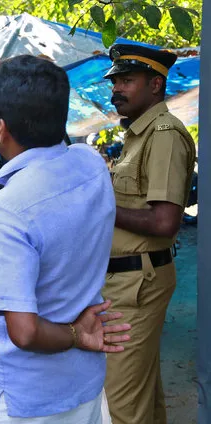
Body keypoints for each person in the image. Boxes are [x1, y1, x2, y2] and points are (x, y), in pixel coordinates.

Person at [0, 54, 131, 423]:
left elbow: (24, 333)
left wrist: (78, 335)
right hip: (84, 384)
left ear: (0, 127)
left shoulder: (6, 209)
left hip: (25, 399)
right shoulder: (91, 165)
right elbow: (51, 138)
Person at [101, 44, 197, 424]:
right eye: (116, 81)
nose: (116, 89)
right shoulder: (138, 134)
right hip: (126, 281)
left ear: (156, 84)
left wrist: (102, 209)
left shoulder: (163, 134)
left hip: (137, 283)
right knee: (142, 397)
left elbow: (164, 223)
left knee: (122, 407)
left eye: (127, 80)